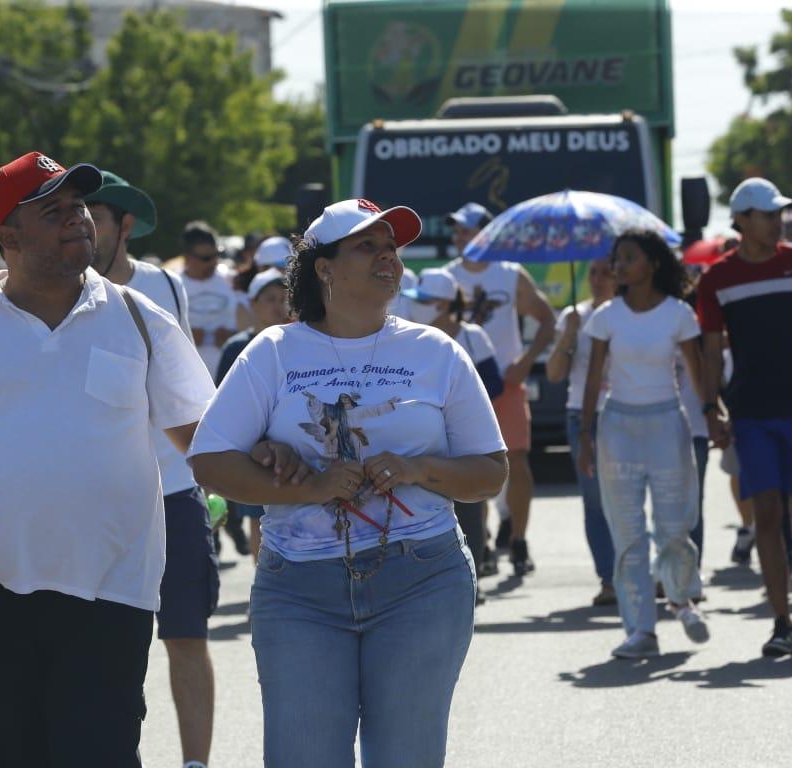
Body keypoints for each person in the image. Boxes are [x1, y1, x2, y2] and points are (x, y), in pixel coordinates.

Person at [0, 152, 216, 767]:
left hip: (111, 592)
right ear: (7, 235)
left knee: (101, 754)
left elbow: (208, 440)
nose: (78, 219)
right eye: (54, 209)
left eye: (80, 207)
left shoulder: (142, 321)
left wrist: (282, 475)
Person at [189, 198, 508, 766]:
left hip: (422, 582)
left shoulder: (436, 352)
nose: (387, 255)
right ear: (325, 268)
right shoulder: (273, 353)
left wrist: (417, 469)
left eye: (391, 246)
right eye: (368, 245)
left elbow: (490, 472)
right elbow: (211, 462)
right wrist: (308, 486)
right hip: (299, 591)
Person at [84, 169, 220, 768]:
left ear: (125, 226)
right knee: (110, 647)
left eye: (94, 221)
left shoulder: (167, 285)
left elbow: (184, 390)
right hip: (98, 501)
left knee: (187, 636)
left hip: (175, 490)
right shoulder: (62, 294)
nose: (81, 232)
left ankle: (195, 763)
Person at [698, 177, 792, 655]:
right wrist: (712, 408)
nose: (777, 222)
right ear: (743, 221)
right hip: (752, 411)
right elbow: (711, 353)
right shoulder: (716, 280)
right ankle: (782, 620)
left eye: (778, 214)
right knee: (766, 514)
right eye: (769, 214)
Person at [577, 230, 709, 659]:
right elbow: (594, 380)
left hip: (667, 424)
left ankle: (682, 600)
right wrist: (585, 436)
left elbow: (697, 370)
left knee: (675, 527)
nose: (619, 266)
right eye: (617, 259)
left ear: (652, 263)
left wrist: (714, 411)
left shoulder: (679, 314)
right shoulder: (605, 317)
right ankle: (641, 631)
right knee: (628, 534)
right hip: (618, 428)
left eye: (628, 257)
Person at [447, 202, 556, 575]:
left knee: (518, 462)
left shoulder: (510, 275)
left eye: (466, 230)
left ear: (486, 233)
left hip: (505, 385)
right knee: (470, 466)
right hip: (461, 387)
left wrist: (525, 362)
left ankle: (520, 541)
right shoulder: (447, 276)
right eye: (457, 231)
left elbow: (547, 320)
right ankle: (484, 542)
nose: (459, 237)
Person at [401, 267, 503, 591]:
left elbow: (496, 384)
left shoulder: (471, 337)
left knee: (471, 502)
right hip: (427, 442)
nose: (416, 305)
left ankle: (472, 573)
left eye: (425, 300)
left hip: (463, 438)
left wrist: (461, 403)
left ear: (443, 304)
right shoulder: (412, 342)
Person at [544, 258, 617, 606]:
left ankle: (643, 574)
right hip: (581, 417)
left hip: (623, 414)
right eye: (594, 274)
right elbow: (556, 374)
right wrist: (569, 334)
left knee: (629, 497)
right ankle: (609, 578)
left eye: (607, 272)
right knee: (595, 501)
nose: (599, 279)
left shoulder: (628, 313)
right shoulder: (575, 316)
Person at [214, 267, 293, 563]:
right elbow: (221, 401)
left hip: (293, 448)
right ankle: (263, 587)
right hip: (253, 452)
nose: (279, 305)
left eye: (285, 297)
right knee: (259, 518)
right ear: (253, 304)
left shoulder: (299, 341)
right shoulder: (237, 347)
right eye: (270, 298)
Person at [176, 221, 246, 375]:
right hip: (188, 376)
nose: (214, 262)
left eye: (217, 255)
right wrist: (185, 337)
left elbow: (251, 326)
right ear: (188, 258)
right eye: (206, 258)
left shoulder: (232, 281)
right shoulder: (173, 285)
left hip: (228, 374)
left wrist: (232, 338)